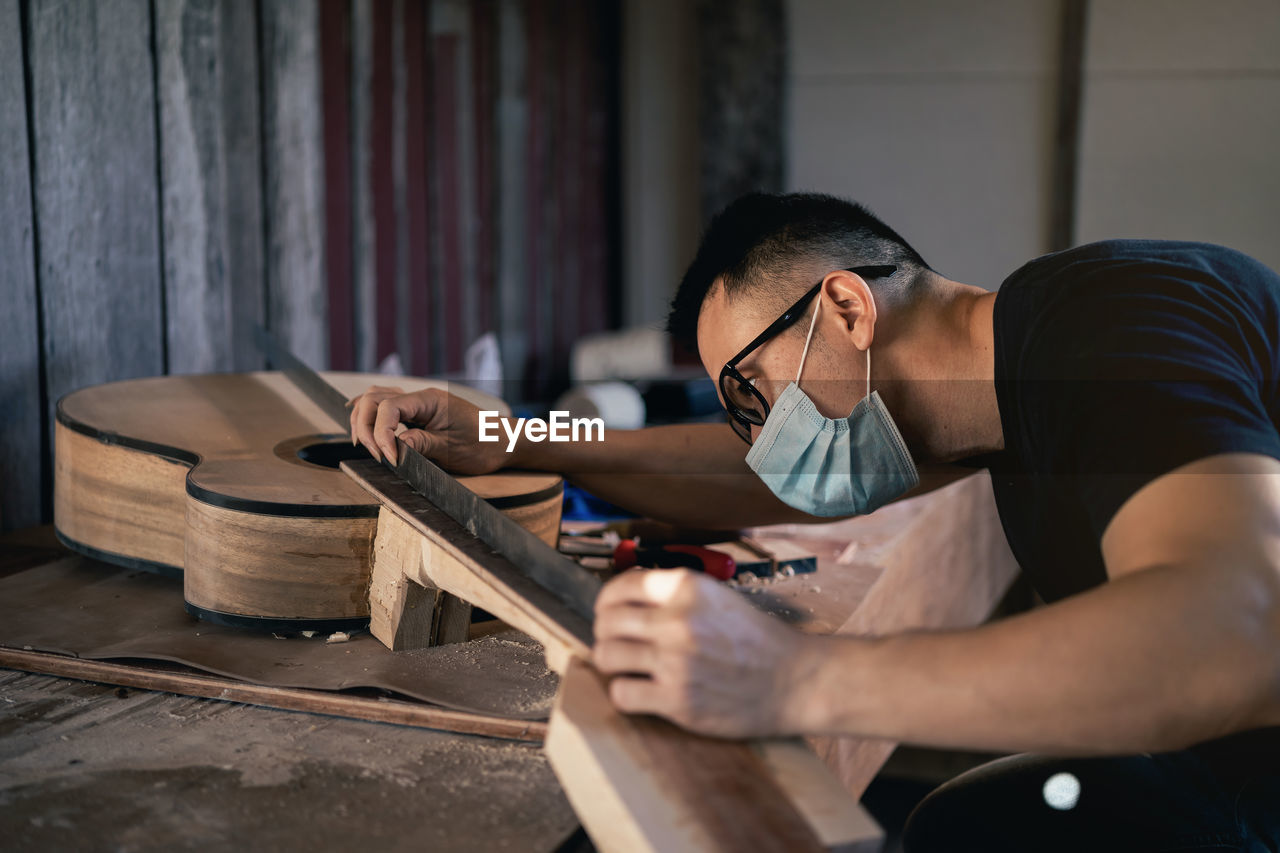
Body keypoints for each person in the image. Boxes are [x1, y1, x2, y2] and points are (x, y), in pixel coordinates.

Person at [350, 192, 1280, 851]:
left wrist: (795, 676)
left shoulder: (1111, 323)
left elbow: (1236, 629)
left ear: (844, 305)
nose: (759, 440)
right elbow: (742, 475)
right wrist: (526, 436)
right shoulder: (1007, 401)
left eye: (753, 395)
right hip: (1234, 768)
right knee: (966, 823)